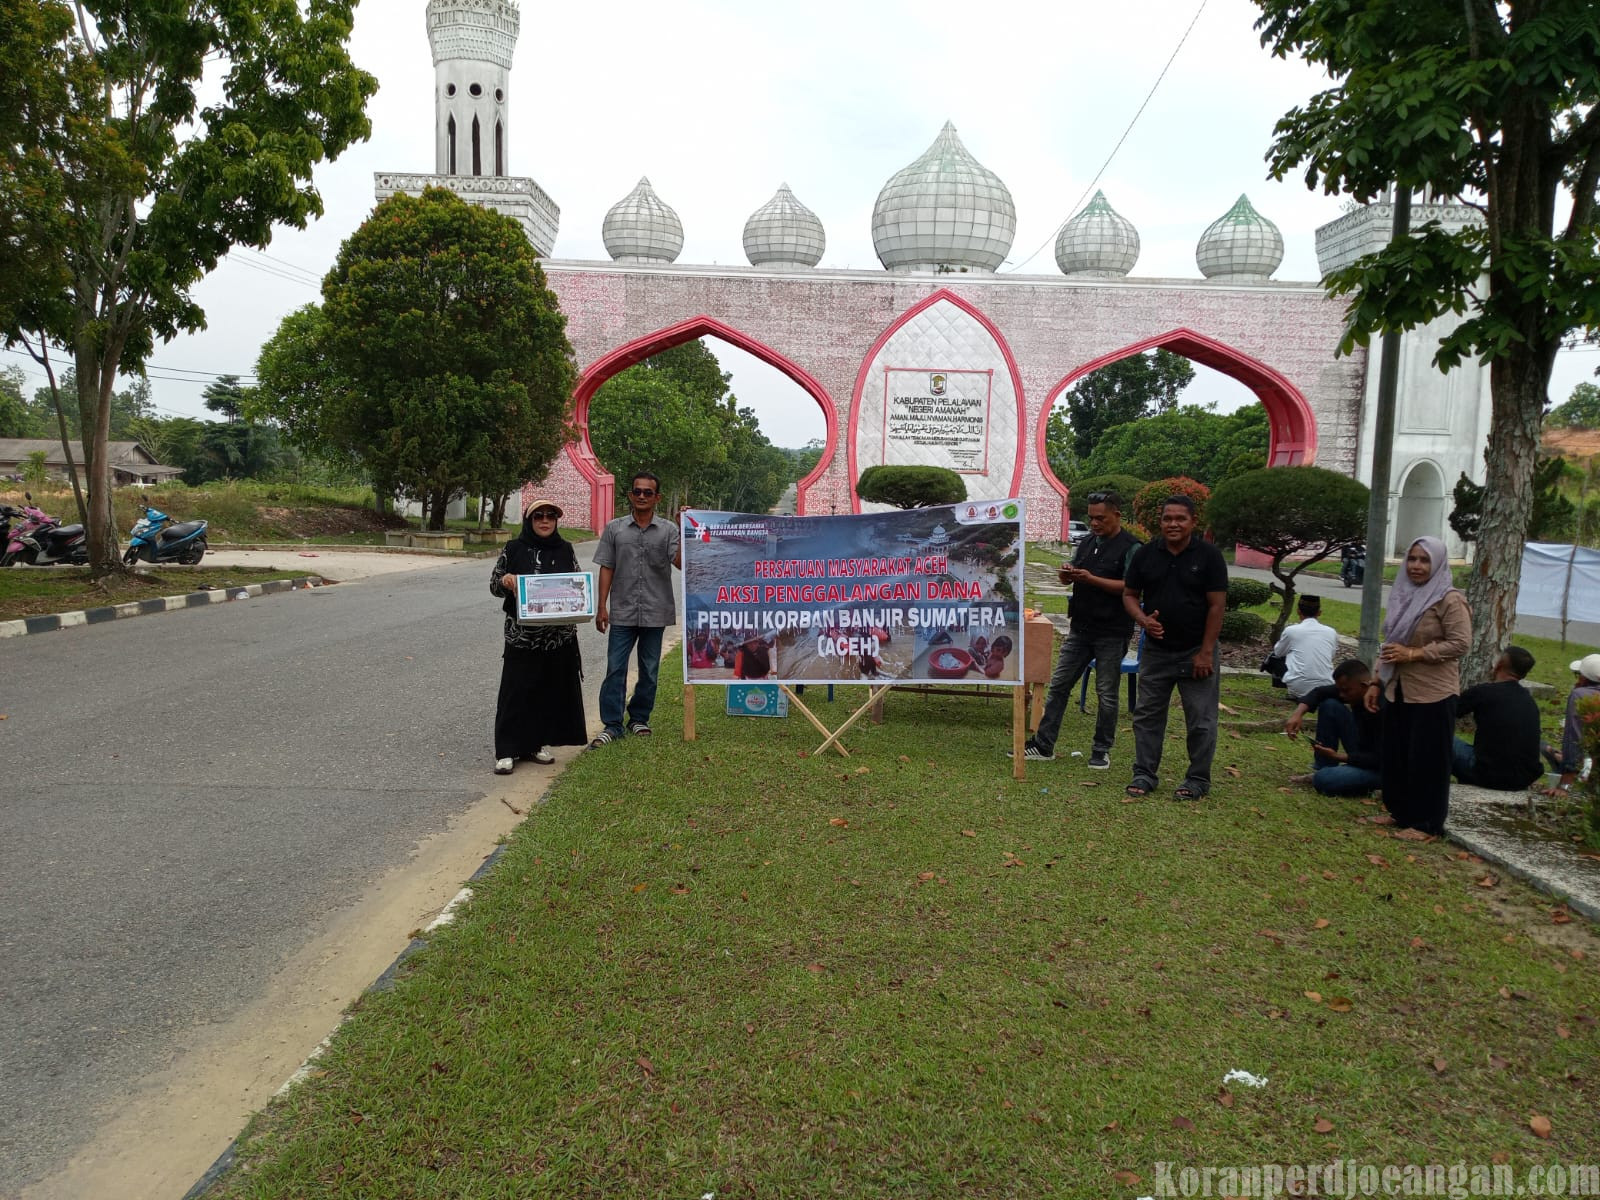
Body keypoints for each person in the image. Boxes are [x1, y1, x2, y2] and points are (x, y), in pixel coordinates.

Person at [1019, 490, 1142, 765]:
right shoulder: (1087, 542)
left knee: (1107, 693)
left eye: (1101, 518)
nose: (1095, 523)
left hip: (1112, 631)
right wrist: (1066, 574)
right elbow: (1070, 576)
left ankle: (1101, 751)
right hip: (1080, 629)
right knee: (1059, 686)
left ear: (1117, 515)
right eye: (1091, 518)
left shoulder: (1132, 547)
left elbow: (1132, 587)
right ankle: (1043, 745)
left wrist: (1092, 579)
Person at [1122, 495, 1229, 800]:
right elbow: (1129, 594)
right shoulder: (1146, 554)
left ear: (1194, 522)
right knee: (1147, 716)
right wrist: (1143, 620)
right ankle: (1144, 773)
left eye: (1180, 518)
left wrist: (1206, 651)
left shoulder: (1208, 556)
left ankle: (1197, 779)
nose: (1173, 524)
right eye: (1167, 518)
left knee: (1201, 720)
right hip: (1157, 650)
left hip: (1196, 650)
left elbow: (1217, 606)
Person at [1363, 536, 1471, 835]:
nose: (1416, 566)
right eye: (1412, 559)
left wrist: (1416, 654)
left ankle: (1426, 823)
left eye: (1424, 560)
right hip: (1397, 689)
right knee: (1397, 756)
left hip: (1433, 693)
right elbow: (1390, 644)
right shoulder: (1403, 594)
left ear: (1437, 563)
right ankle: (1400, 813)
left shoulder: (1450, 599)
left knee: (1429, 761)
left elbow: (1461, 643)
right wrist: (1376, 681)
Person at [488, 499, 588, 774]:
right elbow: (494, 585)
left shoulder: (566, 549)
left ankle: (536, 744)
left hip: (557, 638)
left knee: (547, 691)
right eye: (538, 516)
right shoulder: (514, 548)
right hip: (522, 637)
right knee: (515, 691)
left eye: (550, 516)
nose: (544, 521)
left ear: (556, 521)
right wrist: (506, 582)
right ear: (529, 521)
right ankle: (507, 750)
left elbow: (578, 586)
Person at [591, 471, 681, 747]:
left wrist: (685, 526)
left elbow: (680, 563)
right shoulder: (615, 529)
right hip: (623, 611)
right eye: (637, 491)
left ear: (657, 497)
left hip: (656, 611)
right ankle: (613, 724)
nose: (642, 496)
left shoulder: (669, 530)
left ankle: (639, 717)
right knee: (615, 668)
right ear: (630, 495)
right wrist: (601, 606)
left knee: (650, 669)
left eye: (648, 492)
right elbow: (608, 566)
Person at [1285, 659, 1383, 795]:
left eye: (1346, 691)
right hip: (1361, 749)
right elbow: (1318, 693)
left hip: (1380, 766)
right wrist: (1297, 714)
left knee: (1324, 780)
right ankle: (1324, 766)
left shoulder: (1382, 706)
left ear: (1364, 686)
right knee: (1330, 704)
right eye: (1340, 690)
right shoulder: (1353, 691)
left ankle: (1376, 786)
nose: (1342, 695)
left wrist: (1339, 756)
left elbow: (1381, 758)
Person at [1452, 646, 1543, 790]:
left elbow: (1447, 712)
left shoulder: (1483, 692)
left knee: (1438, 738)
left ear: (1499, 665)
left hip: (1488, 775)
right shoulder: (1529, 700)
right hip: (1523, 779)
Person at [1541, 652, 1600, 798]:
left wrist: (1565, 785)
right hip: (1592, 762)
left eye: (1578, 675)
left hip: (1585, 766)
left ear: (1584, 677)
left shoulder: (1580, 695)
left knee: (1540, 744)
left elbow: (1573, 736)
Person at [1272, 593, 1340, 700]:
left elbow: (1278, 653)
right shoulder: (1331, 632)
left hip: (1298, 687)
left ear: (1298, 611)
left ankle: (1291, 689)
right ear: (1319, 613)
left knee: (1273, 659)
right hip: (1327, 685)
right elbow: (1331, 656)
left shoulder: (1291, 631)